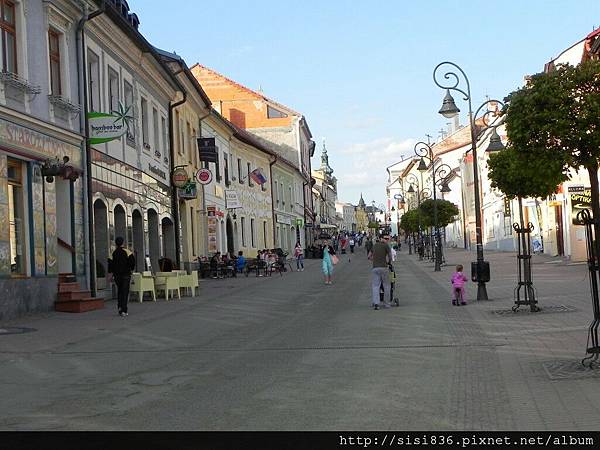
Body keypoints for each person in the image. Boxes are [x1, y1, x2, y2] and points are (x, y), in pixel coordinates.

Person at [108, 236, 135, 317]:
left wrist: (110, 276)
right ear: (123, 243)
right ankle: (124, 310)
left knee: (120, 291)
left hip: (117, 276)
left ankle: (119, 307)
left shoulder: (112, 253)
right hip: (126, 275)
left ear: (115, 243)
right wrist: (131, 270)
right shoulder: (128, 252)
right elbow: (132, 263)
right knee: (125, 292)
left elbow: (110, 265)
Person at [368, 234, 392, 310]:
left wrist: (374, 260)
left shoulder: (374, 246)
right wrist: (389, 262)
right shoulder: (386, 246)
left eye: (387, 238)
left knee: (375, 286)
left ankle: (376, 303)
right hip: (384, 268)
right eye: (385, 238)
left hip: (375, 268)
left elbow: (369, 256)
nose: (387, 240)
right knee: (386, 285)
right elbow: (390, 256)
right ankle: (387, 304)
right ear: (381, 238)